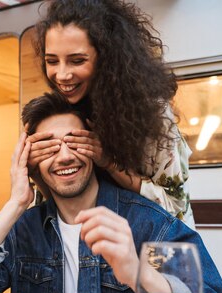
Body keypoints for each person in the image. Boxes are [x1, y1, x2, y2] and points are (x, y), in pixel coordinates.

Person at [0, 92, 222, 293]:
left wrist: (138, 272)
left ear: (93, 149)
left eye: (74, 142)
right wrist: (15, 202)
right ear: (30, 162)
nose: (64, 156)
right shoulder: (24, 229)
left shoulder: (150, 222)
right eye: (48, 148)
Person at [27, 0, 195, 228]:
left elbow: (174, 205)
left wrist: (109, 163)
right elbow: (59, 201)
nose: (62, 75)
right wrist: (35, 170)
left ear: (105, 57)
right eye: (52, 61)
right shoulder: (65, 106)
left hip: (155, 244)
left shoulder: (150, 112)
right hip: (92, 248)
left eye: (77, 61)